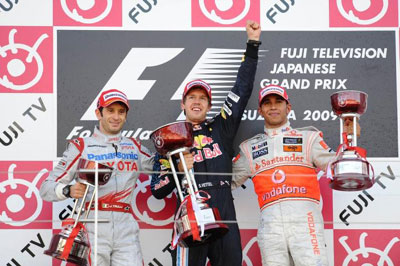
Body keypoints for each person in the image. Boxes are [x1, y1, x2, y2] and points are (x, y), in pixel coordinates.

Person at [150, 20, 261, 266]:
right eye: (192, 97)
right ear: (183, 104)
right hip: (189, 211)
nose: (197, 102)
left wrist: (252, 45)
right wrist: (178, 169)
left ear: (209, 105)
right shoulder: (169, 139)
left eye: (202, 98)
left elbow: (242, 90)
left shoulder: (222, 126)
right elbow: (157, 190)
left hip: (223, 207)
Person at [232, 85, 359, 266]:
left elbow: (339, 166)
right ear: (260, 110)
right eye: (267, 103)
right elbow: (225, 181)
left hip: (306, 222)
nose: (273, 107)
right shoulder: (249, 149)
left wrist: (350, 140)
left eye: (278, 102)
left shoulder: (308, 138)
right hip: (270, 227)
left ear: (288, 107)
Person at [40, 89, 154, 265]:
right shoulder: (81, 146)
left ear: (125, 115)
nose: (116, 117)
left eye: (121, 112)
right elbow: (46, 189)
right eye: (110, 111)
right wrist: (68, 190)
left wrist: (177, 160)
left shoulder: (134, 146)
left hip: (126, 225)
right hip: (92, 222)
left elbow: (162, 168)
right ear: (98, 113)